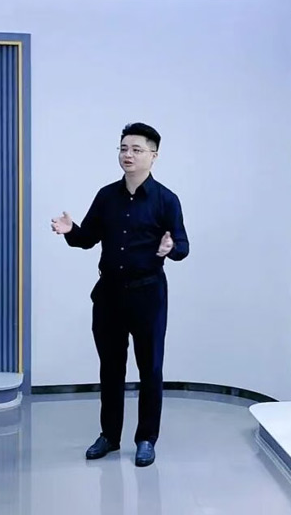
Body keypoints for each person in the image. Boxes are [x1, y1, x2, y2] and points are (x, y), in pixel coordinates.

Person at [51, 122, 189, 467]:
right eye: (123, 148)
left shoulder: (166, 199)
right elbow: (87, 239)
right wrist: (70, 231)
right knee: (110, 368)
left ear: (154, 156)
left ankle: (146, 439)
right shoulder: (106, 196)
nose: (128, 155)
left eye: (136, 149)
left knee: (150, 368)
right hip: (109, 294)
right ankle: (109, 436)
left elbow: (183, 246)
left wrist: (170, 248)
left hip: (148, 295)